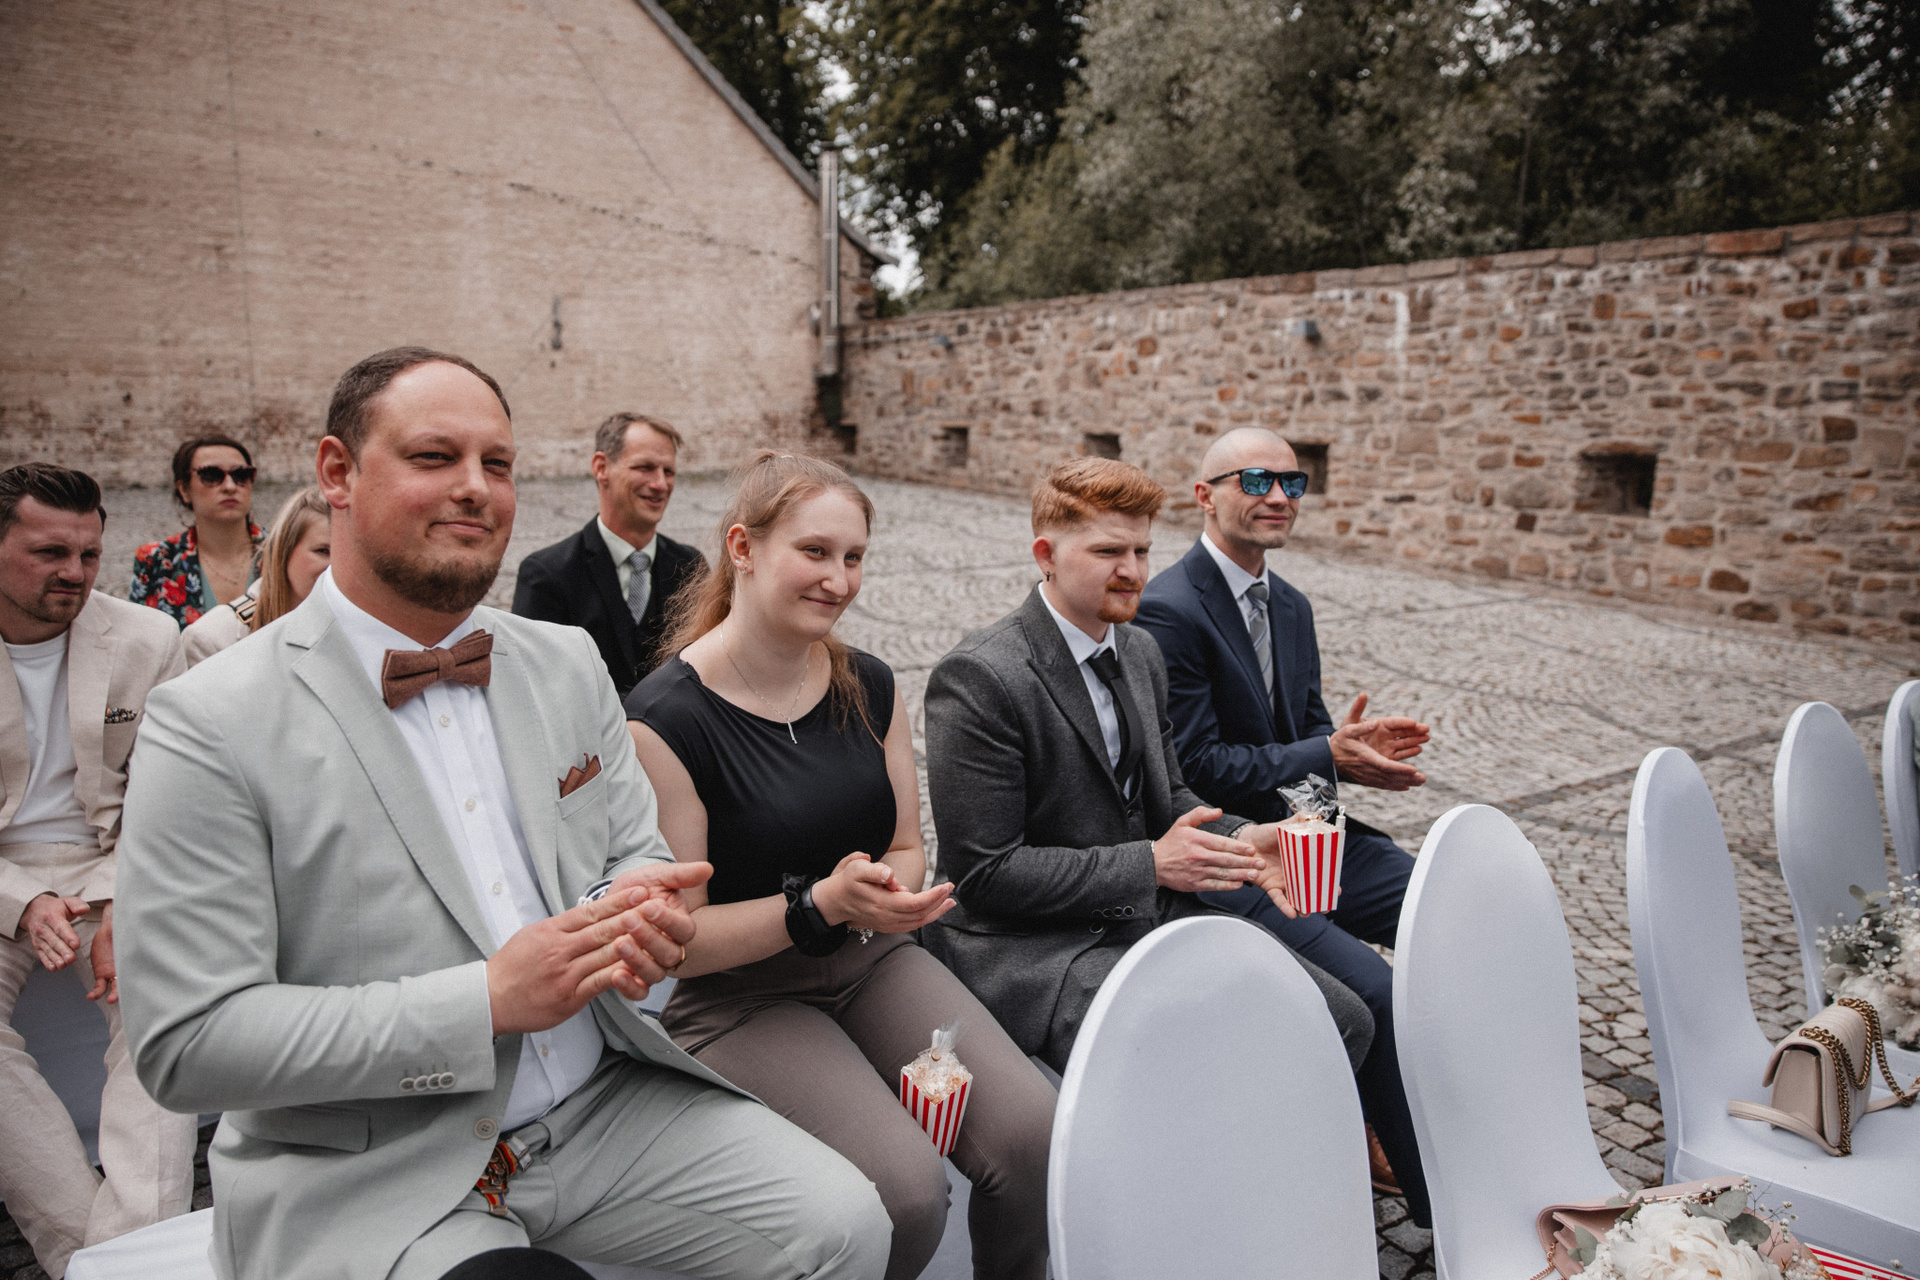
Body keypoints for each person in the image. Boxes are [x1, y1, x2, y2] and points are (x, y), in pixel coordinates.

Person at [116, 348, 889, 1280]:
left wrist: (634, 905)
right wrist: (483, 1001)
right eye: (434, 457)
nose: (476, 488)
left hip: (605, 1109)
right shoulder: (209, 718)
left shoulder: (565, 663)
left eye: (499, 464)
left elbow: (632, 852)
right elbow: (189, 1043)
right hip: (373, 1163)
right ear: (336, 473)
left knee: (850, 1223)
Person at [626, 452, 1056, 1280]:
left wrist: (888, 897)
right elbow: (680, 942)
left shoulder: (870, 684)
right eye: (815, 552)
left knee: (1032, 1135)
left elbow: (906, 846)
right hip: (742, 999)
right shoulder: (664, 720)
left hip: (874, 961)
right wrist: (819, 904)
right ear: (743, 549)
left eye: (854, 556)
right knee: (905, 1194)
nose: (840, 579)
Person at [919, 456, 1375, 1082]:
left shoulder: (1139, 650)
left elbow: (1170, 795)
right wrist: (1152, 864)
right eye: (1108, 551)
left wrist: (1242, 839)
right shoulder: (980, 676)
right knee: (1209, 1059)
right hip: (1032, 948)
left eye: (1141, 551)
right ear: (1046, 555)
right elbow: (985, 876)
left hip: (1143, 915)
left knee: (1342, 1021)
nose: (1132, 571)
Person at [1133, 425, 1433, 1224]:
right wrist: (1323, 754)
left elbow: (1309, 729)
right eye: (1256, 480)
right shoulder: (1169, 608)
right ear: (1205, 496)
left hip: (1312, 835)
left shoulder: (1290, 606)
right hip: (1231, 847)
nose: (1278, 496)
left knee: (1448, 909)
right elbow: (1197, 769)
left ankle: (1460, 1098)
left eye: (1292, 483)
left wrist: (1352, 757)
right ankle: (1435, 1191)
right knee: (1376, 991)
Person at [0, 462, 198, 1278]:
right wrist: (23, 900)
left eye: (88, 554)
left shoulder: (147, 639)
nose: (75, 573)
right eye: (50, 553)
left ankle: (131, 1252)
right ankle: (101, 1256)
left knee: (162, 998)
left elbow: (171, 793)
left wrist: (121, 898)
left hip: (114, 860)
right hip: (4, 875)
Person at [513, 413, 705, 697]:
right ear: (601, 468)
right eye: (645, 467)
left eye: (669, 472)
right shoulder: (547, 575)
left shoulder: (690, 568)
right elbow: (535, 688)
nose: (660, 484)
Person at [182, 485, 331, 665]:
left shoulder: (358, 628)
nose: (336, 566)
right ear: (284, 550)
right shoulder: (213, 638)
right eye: (323, 551)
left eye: (351, 553)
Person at [129, 435, 263, 629]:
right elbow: (142, 637)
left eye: (241, 475)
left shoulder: (284, 551)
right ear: (184, 490)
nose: (230, 486)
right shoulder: (157, 560)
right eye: (211, 475)